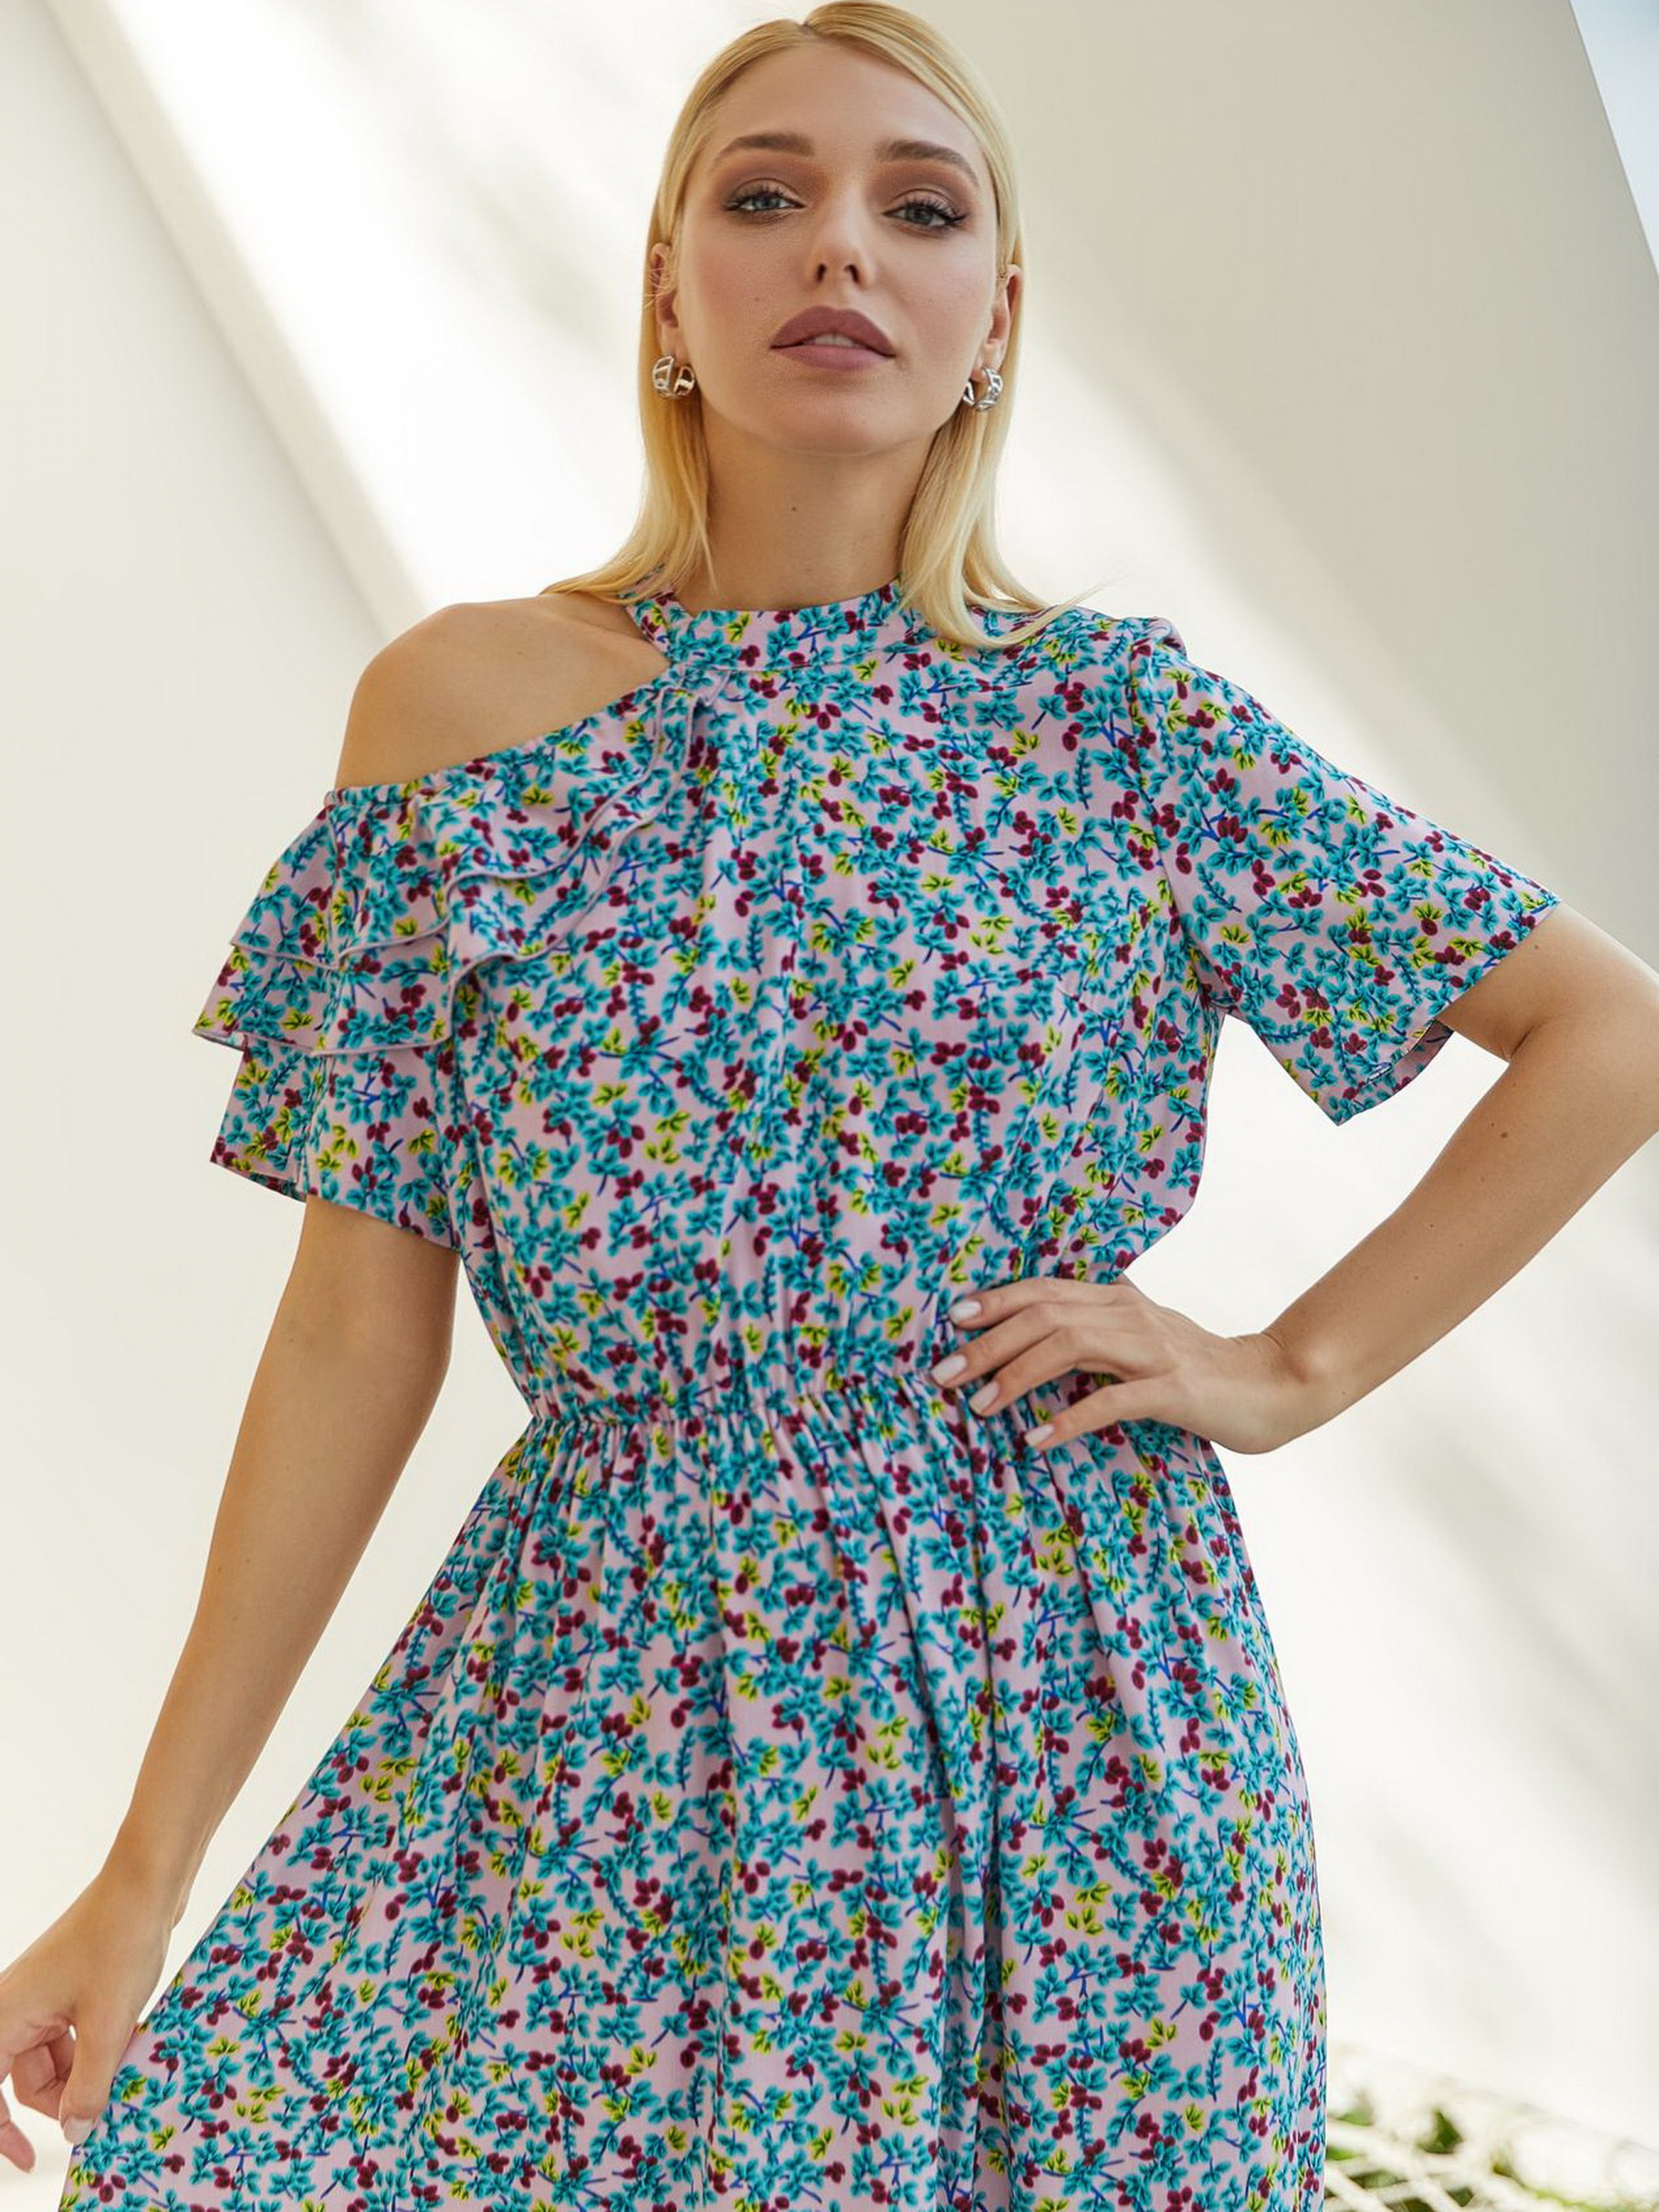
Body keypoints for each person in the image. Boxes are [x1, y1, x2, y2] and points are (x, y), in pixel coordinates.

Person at [6, 6, 1655, 2207]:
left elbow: (1608, 1030)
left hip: (1070, 1714)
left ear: (996, 322)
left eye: (920, 207)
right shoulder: (462, 714)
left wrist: (1285, 1366)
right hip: (610, 1700)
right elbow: (347, 1335)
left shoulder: (1113, 725)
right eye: (764, 195)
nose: (840, 250)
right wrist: (142, 1873)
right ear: (666, 294)